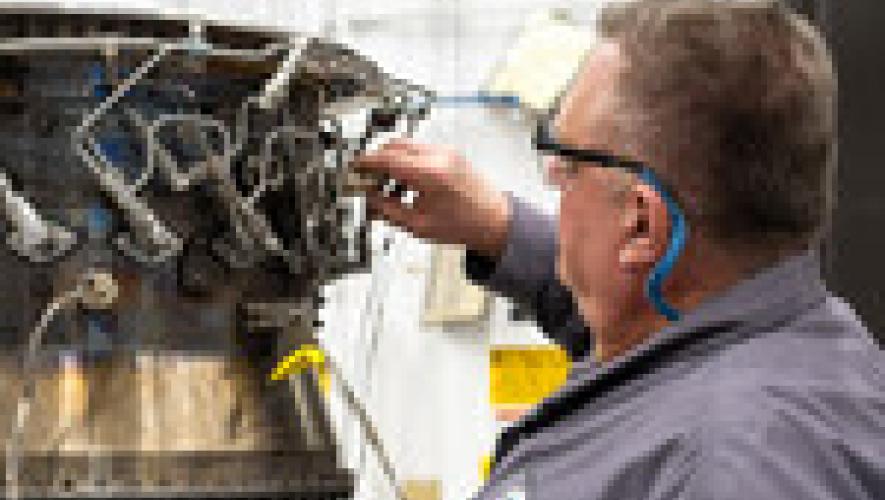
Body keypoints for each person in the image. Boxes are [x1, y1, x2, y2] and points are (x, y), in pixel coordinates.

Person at [355, 1, 885, 499]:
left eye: (567, 160)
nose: (551, 175)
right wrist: (498, 226)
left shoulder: (725, 464)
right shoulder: (786, 336)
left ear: (641, 223)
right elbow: (642, 318)